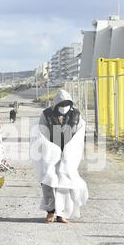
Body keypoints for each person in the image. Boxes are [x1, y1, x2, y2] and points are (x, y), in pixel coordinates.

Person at [32, 89, 88, 224]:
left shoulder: (76, 115)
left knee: (65, 182)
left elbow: (80, 133)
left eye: (66, 104)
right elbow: (41, 132)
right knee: (49, 181)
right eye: (61, 104)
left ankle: (62, 213)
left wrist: (70, 150)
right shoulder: (47, 114)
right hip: (50, 153)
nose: (63, 107)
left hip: (68, 154)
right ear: (55, 104)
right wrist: (50, 149)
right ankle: (50, 211)